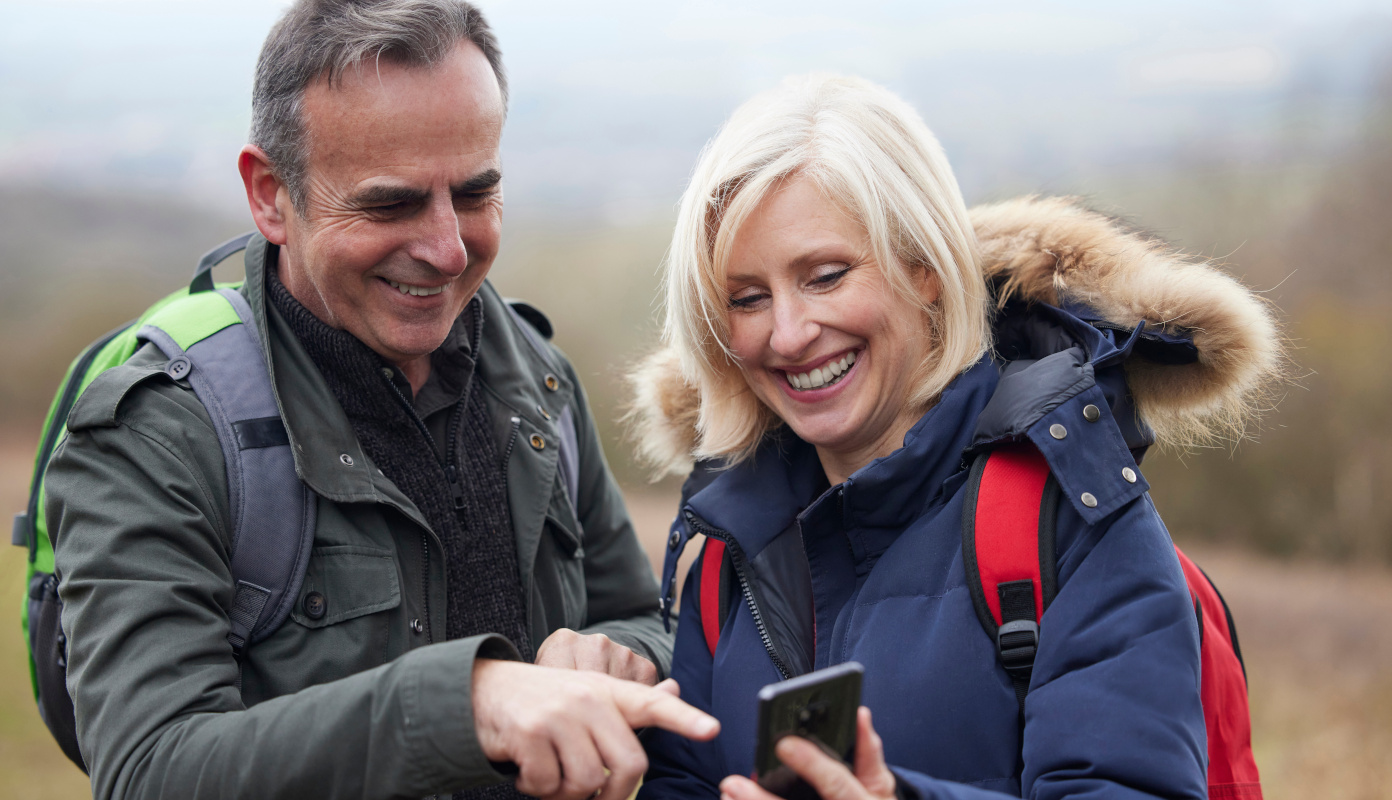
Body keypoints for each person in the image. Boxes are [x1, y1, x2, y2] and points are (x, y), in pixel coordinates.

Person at [43, 2, 718, 799]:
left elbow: (642, 616)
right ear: (269, 195)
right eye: (389, 204)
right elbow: (150, 769)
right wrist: (467, 701)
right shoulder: (163, 430)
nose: (446, 248)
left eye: (474, 194)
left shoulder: (535, 379)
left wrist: (618, 652)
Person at [629, 75, 1282, 799]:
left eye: (826, 276)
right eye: (747, 298)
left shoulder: (1068, 512)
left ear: (927, 269)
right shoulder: (727, 550)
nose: (788, 333)